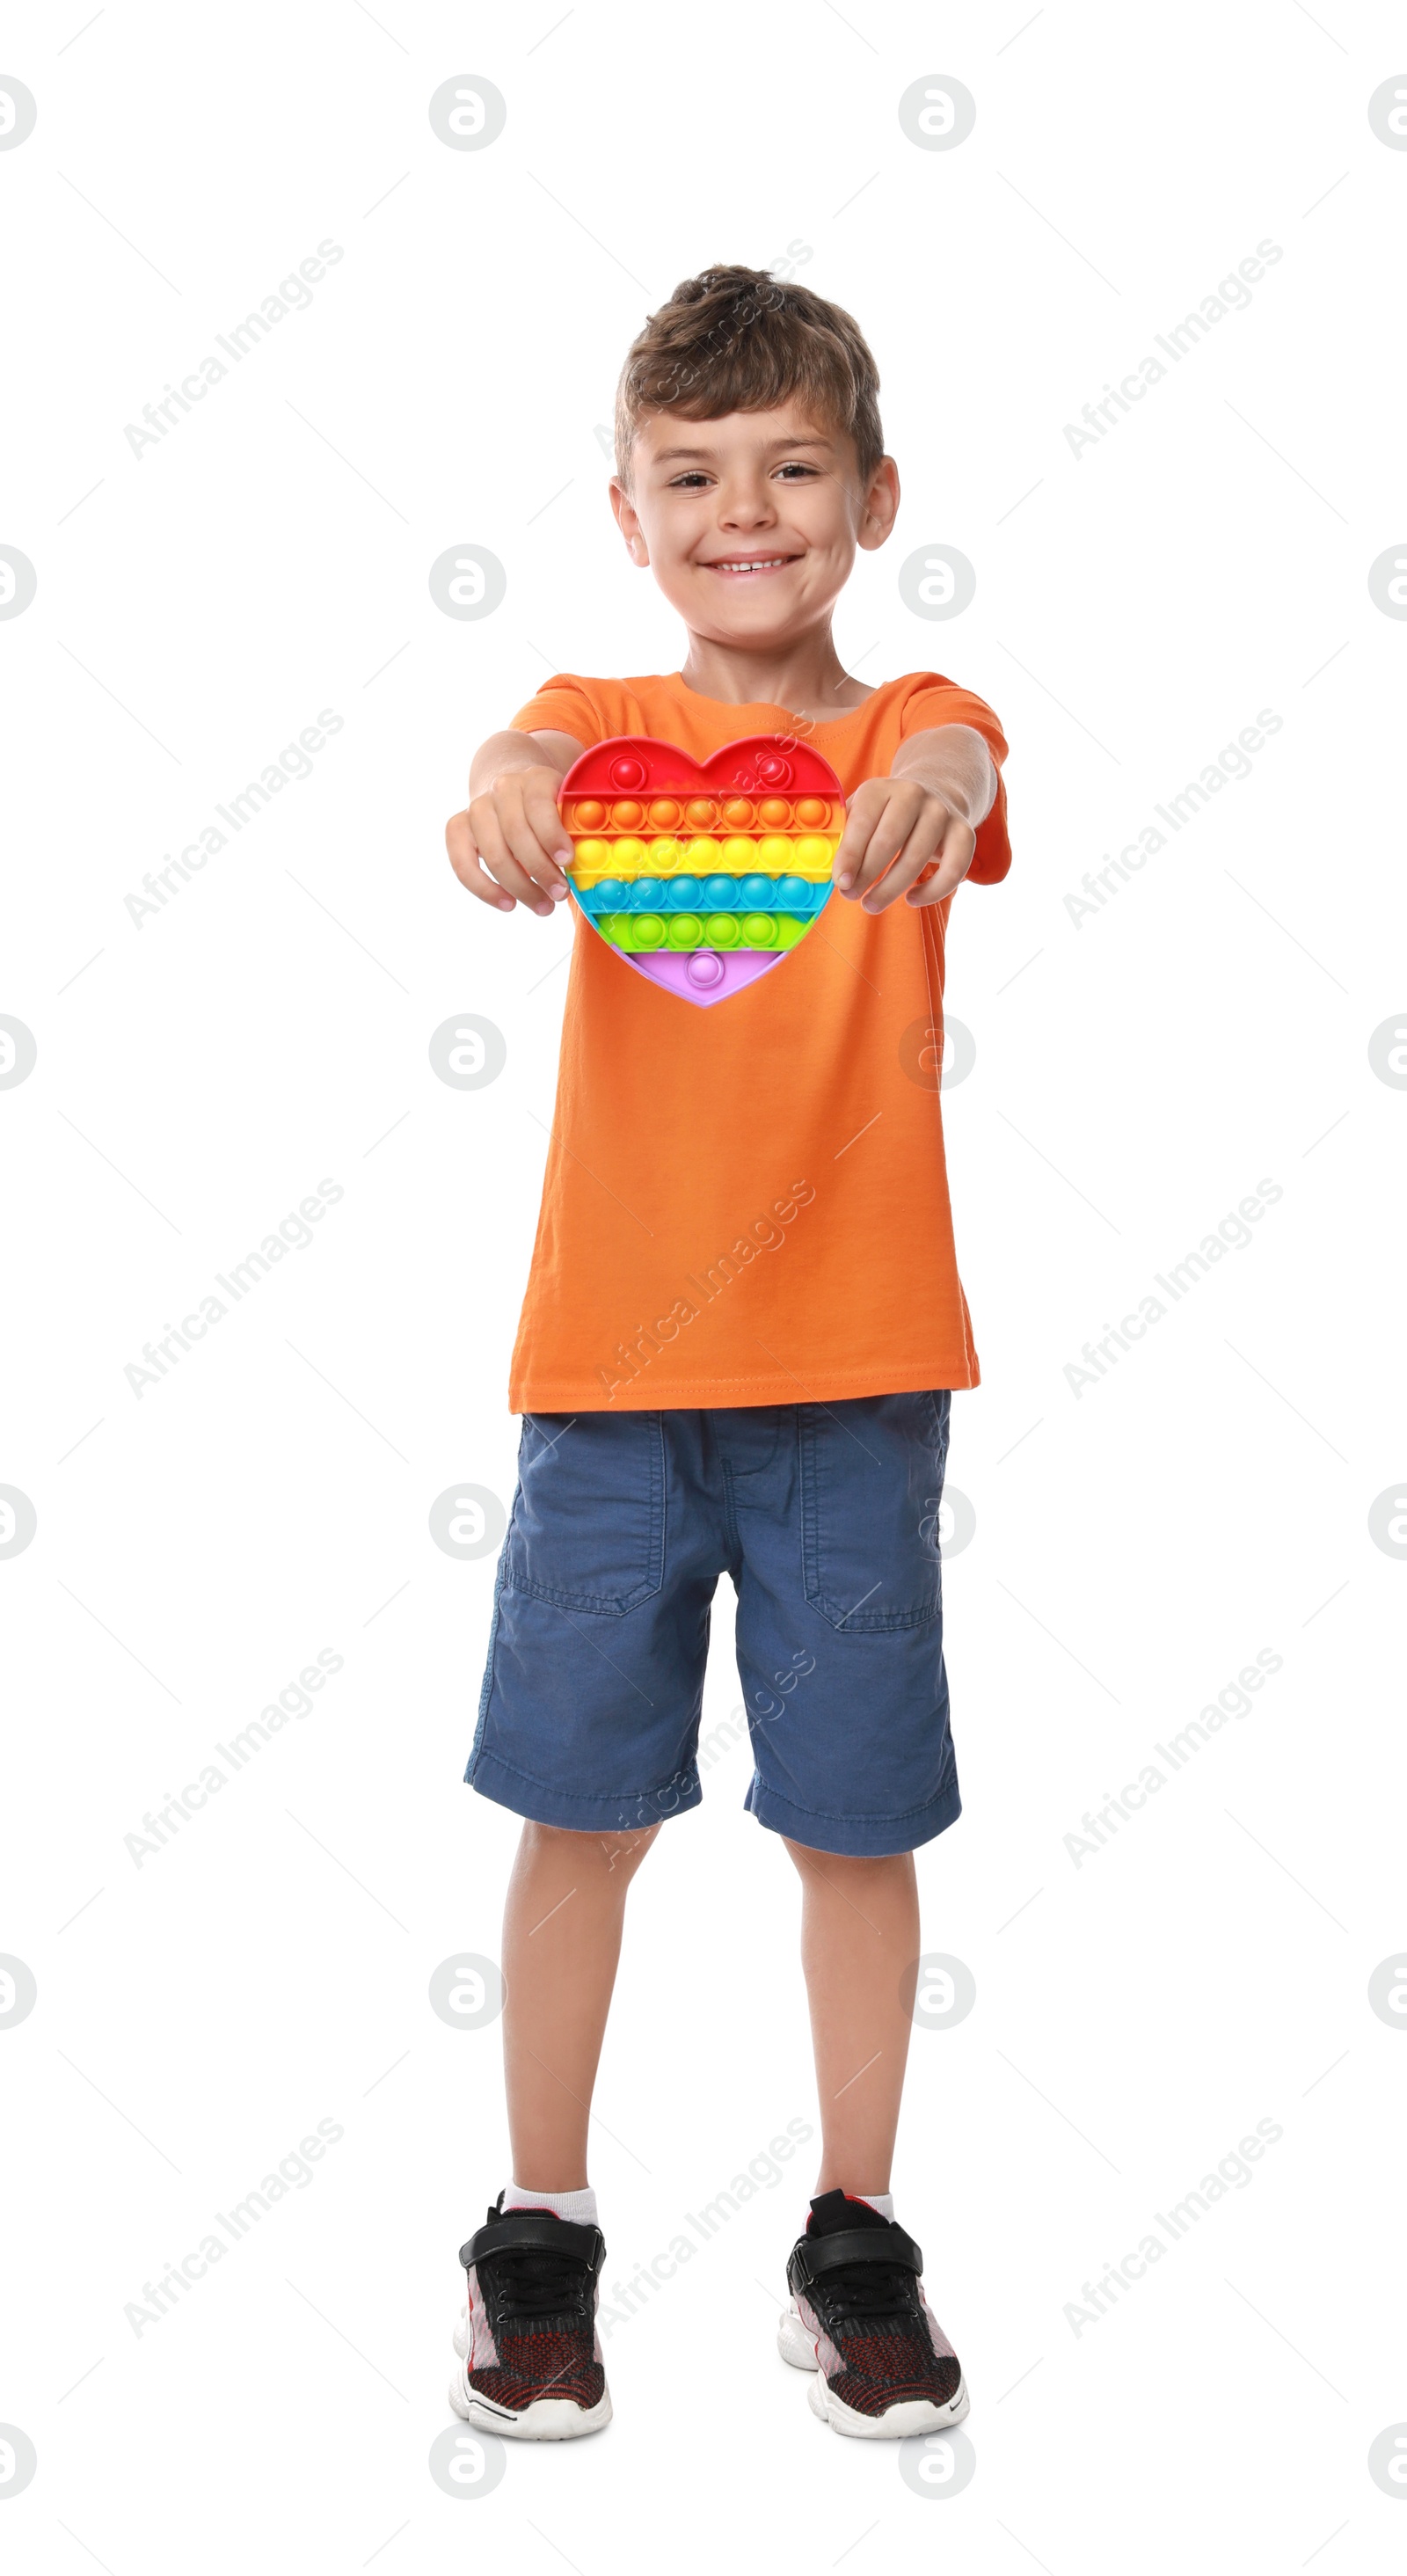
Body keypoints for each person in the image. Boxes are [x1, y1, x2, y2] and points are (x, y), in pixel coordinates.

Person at [442, 264, 1012, 2442]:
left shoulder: (904, 729)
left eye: (790, 469)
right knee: (576, 1806)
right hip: (605, 1386)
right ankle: (537, 2223)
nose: (742, 510)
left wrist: (942, 781)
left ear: (870, 498)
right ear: (626, 509)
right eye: (691, 476)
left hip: (854, 1389)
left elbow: (964, 745)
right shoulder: (594, 724)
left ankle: (852, 2232)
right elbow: (517, 763)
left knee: (853, 1824)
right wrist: (497, 795)